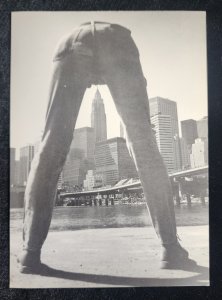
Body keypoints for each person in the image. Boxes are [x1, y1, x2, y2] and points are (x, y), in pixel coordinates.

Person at [18, 21, 196, 273]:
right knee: (143, 142)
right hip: (117, 41)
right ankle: (170, 248)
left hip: (70, 43)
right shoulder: (118, 40)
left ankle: (29, 252)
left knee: (51, 143)